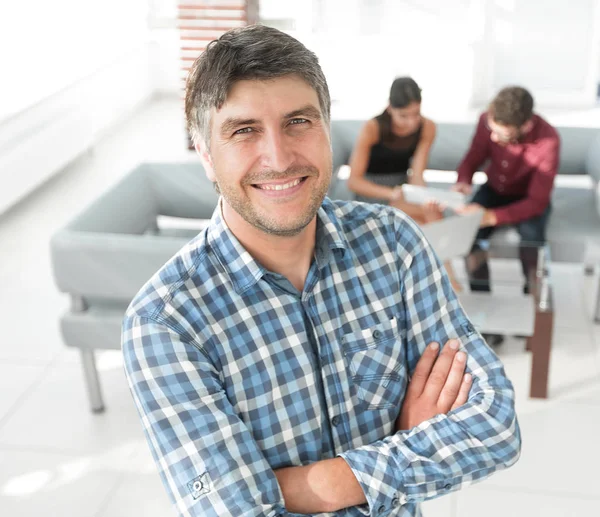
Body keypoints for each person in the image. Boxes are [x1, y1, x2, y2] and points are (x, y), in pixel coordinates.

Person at [122, 25, 521, 517]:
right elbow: (236, 512)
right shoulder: (165, 324)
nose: (279, 156)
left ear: (327, 129)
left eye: (298, 122)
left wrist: (308, 484)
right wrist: (406, 443)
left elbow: (496, 424)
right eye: (244, 130)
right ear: (205, 153)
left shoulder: (393, 243)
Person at [454, 86, 560, 345]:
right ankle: (485, 312)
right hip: (494, 189)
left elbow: (536, 202)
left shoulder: (548, 141)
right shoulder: (486, 119)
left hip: (527, 198)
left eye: (502, 135)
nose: (494, 136)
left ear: (524, 125)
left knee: (532, 240)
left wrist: (491, 217)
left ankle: (532, 308)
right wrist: (463, 180)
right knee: (470, 235)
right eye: (492, 129)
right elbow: (473, 157)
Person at [347, 77, 461, 290]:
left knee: (432, 214)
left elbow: (417, 174)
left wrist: (423, 197)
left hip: (403, 189)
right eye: (404, 116)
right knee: (423, 222)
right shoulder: (373, 127)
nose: (411, 122)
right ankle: (448, 283)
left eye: (416, 114)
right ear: (390, 108)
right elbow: (354, 181)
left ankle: (445, 282)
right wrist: (390, 193)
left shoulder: (427, 127)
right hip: (372, 192)